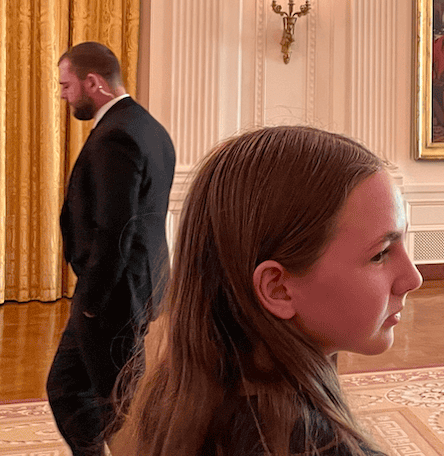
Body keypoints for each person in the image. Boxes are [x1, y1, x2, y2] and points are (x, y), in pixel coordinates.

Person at [119, 125, 423, 456]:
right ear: (278, 288)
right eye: (380, 254)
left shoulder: (176, 400)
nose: (413, 278)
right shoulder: (319, 446)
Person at [47, 42, 176, 456]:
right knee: (72, 387)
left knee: (117, 405)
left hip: (112, 297)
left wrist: (90, 302)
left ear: (93, 82)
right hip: (137, 287)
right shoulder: (149, 126)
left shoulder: (115, 136)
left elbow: (113, 231)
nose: (64, 95)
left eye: (67, 86)